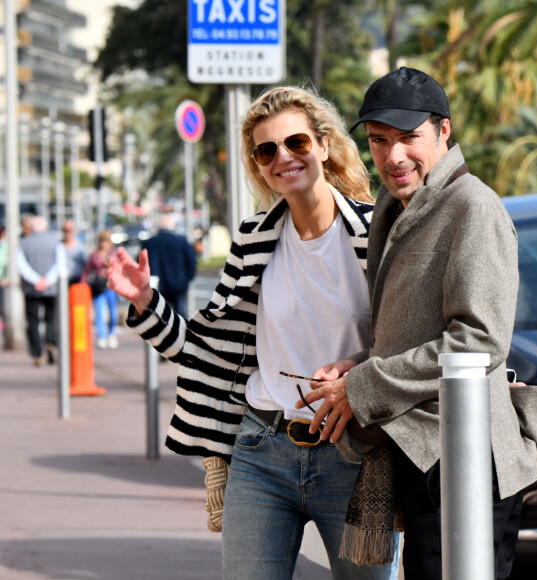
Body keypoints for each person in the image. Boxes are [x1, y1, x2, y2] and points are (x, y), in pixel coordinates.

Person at [106, 85, 400, 579]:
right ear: (258, 164)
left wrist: (358, 371)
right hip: (263, 450)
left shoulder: (378, 233)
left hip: (355, 452)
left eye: (297, 143)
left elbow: (407, 345)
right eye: (267, 150)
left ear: (324, 146)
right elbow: (207, 352)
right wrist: (143, 302)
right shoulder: (253, 239)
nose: (283, 157)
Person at [298, 67, 537, 579]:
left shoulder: (473, 207)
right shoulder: (392, 209)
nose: (393, 156)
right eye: (378, 141)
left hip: (465, 454)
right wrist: (354, 367)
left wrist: (364, 384)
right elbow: (406, 331)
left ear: (443, 131)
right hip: (423, 450)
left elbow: (478, 341)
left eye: (409, 138)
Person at [16, 215, 65, 366]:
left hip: (32, 289)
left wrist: (36, 280)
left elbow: (21, 265)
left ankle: (36, 353)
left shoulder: (24, 243)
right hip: (50, 289)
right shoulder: (55, 242)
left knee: (33, 321)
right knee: (51, 318)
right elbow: (60, 264)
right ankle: (50, 341)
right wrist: (47, 280)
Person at [141, 214, 197, 317]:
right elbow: (191, 261)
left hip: (157, 285)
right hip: (179, 284)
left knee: (161, 315)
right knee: (180, 315)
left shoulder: (150, 243)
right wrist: (188, 278)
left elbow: (142, 264)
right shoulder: (181, 241)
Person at [82, 231, 118, 349]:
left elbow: (120, 269)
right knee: (100, 313)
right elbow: (87, 271)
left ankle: (112, 333)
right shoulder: (95, 255)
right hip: (99, 286)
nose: (104, 243)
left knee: (113, 313)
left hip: (111, 286)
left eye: (106, 241)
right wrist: (82, 284)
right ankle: (102, 336)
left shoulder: (113, 254)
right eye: (102, 240)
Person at [62, 220, 87, 285]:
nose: (68, 233)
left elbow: (85, 266)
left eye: (70, 230)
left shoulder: (80, 247)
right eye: (66, 230)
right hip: (62, 280)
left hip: (76, 280)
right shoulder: (59, 246)